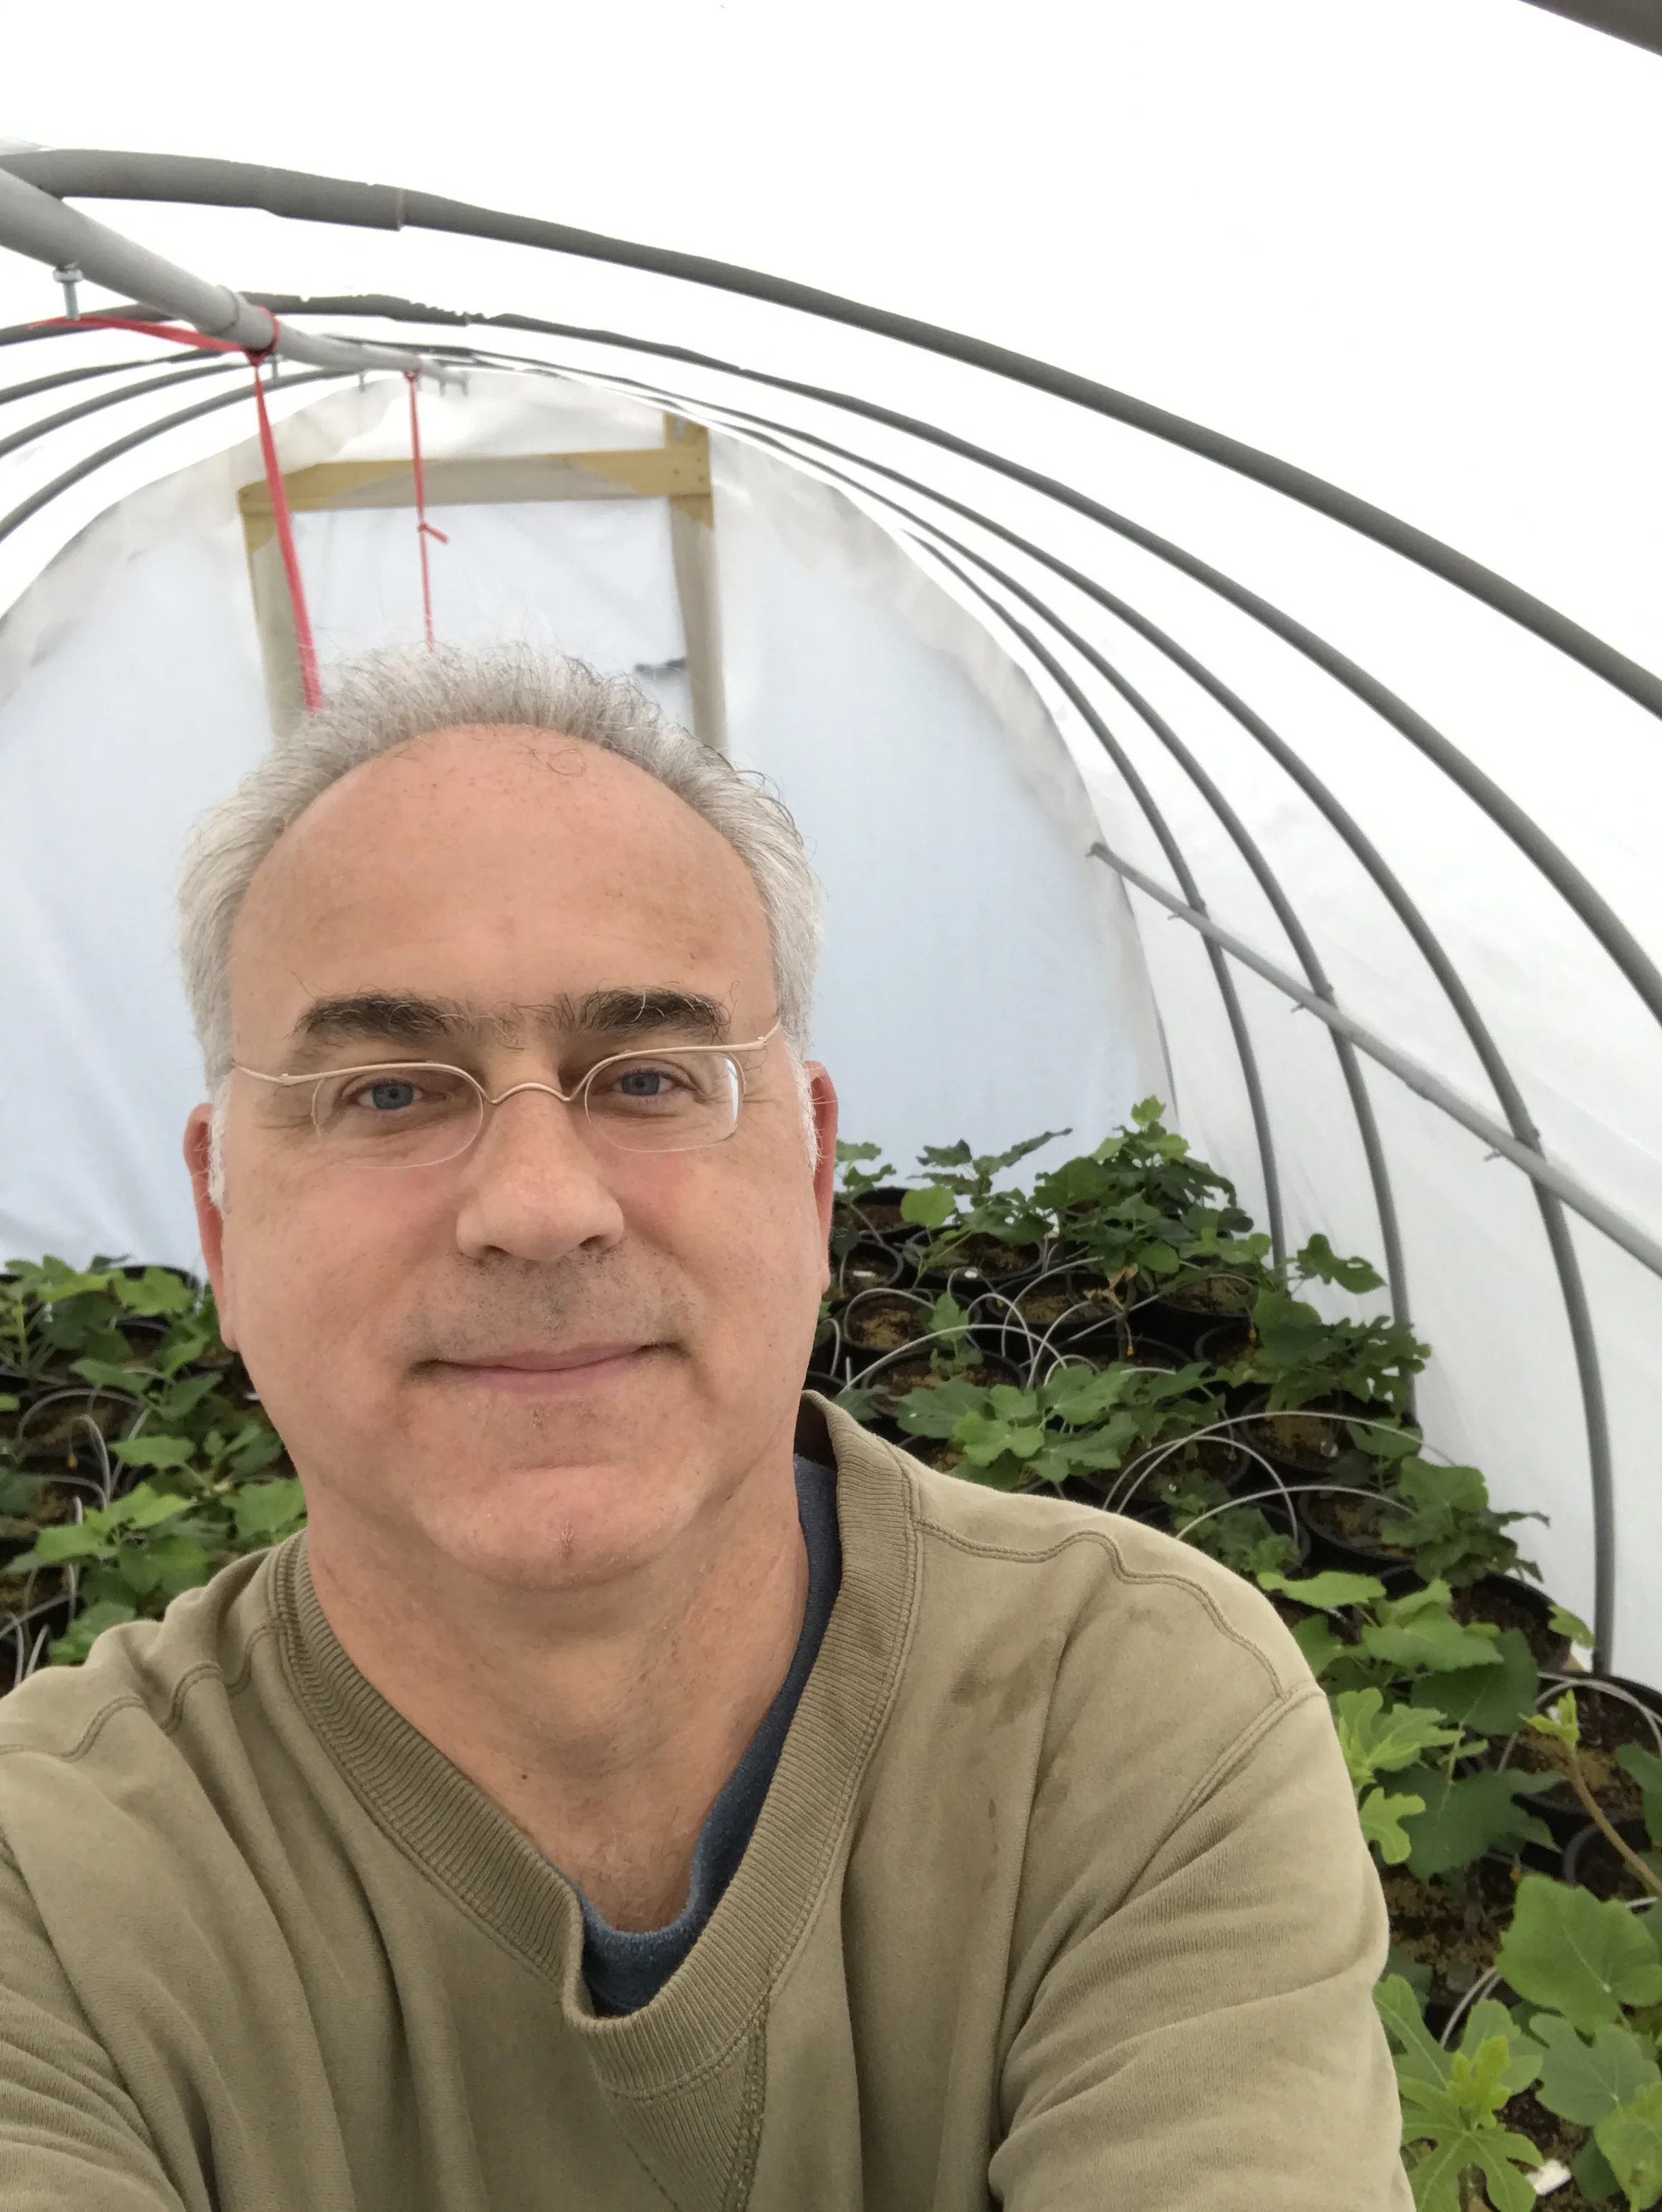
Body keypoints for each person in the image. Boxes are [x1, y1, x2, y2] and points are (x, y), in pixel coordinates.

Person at [0, 644, 1408, 2210]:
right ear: (219, 1224)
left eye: (650, 1078)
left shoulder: (1116, 1716)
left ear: (812, 1176)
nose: (539, 1205)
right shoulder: (50, 1890)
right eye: (389, 1092)